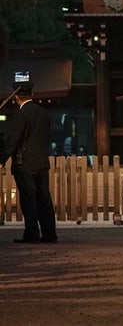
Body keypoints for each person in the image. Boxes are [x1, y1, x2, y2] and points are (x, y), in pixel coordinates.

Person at [1, 77, 57, 243]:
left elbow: (14, 139)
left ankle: (32, 234)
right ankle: (49, 234)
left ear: (17, 97)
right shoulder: (44, 113)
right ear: (32, 94)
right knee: (44, 199)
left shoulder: (20, 114)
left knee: (28, 199)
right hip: (41, 162)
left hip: (24, 163)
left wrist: (2, 158)